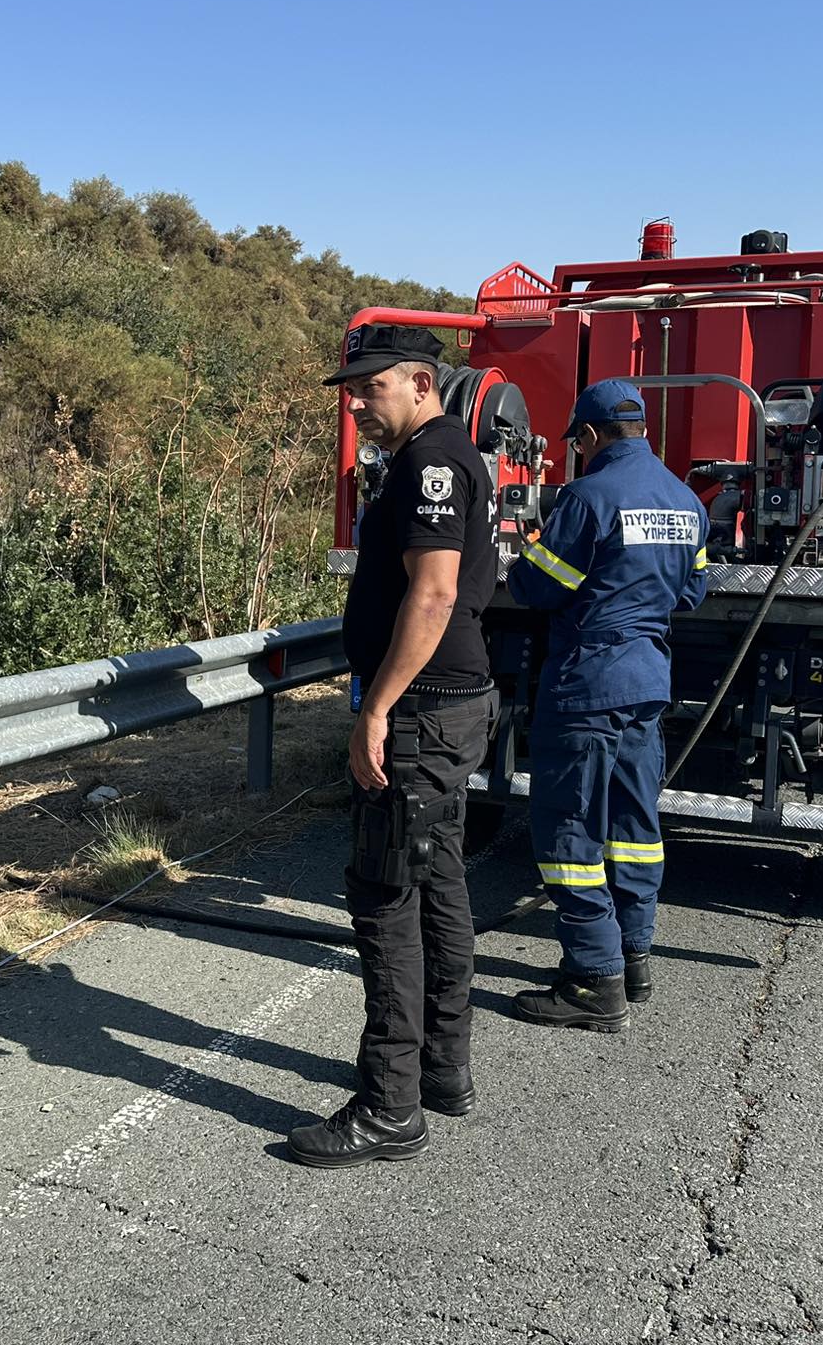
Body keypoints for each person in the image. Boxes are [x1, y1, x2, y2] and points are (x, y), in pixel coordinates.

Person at [287, 324, 501, 1169]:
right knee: (438, 879)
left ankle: (388, 1106)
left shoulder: (432, 464)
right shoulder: (438, 456)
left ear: (419, 381)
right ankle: (442, 1070)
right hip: (449, 706)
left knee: (386, 897)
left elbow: (436, 591)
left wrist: (375, 708)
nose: (357, 404)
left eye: (369, 389)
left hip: (422, 713)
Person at [506, 379, 708, 1031]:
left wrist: (529, 550)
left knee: (569, 831)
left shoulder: (588, 497)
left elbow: (539, 586)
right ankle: (634, 958)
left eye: (578, 442)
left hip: (587, 684)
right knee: (634, 831)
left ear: (590, 436)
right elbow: (694, 591)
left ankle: (595, 982)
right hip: (648, 683)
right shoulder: (684, 500)